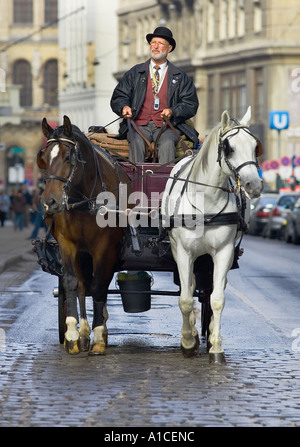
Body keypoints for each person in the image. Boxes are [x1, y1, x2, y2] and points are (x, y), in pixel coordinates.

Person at [110, 27, 199, 163]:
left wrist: (173, 111)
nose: (156, 46)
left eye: (160, 44)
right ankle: (136, 182)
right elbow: (119, 96)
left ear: (169, 49)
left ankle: (165, 182)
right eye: (153, 43)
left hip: (167, 126)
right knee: (135, 142)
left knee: (168, 143)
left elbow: (190, 104)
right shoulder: (135, 72)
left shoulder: (180, 76)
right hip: (138, 125)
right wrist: (124, 107)